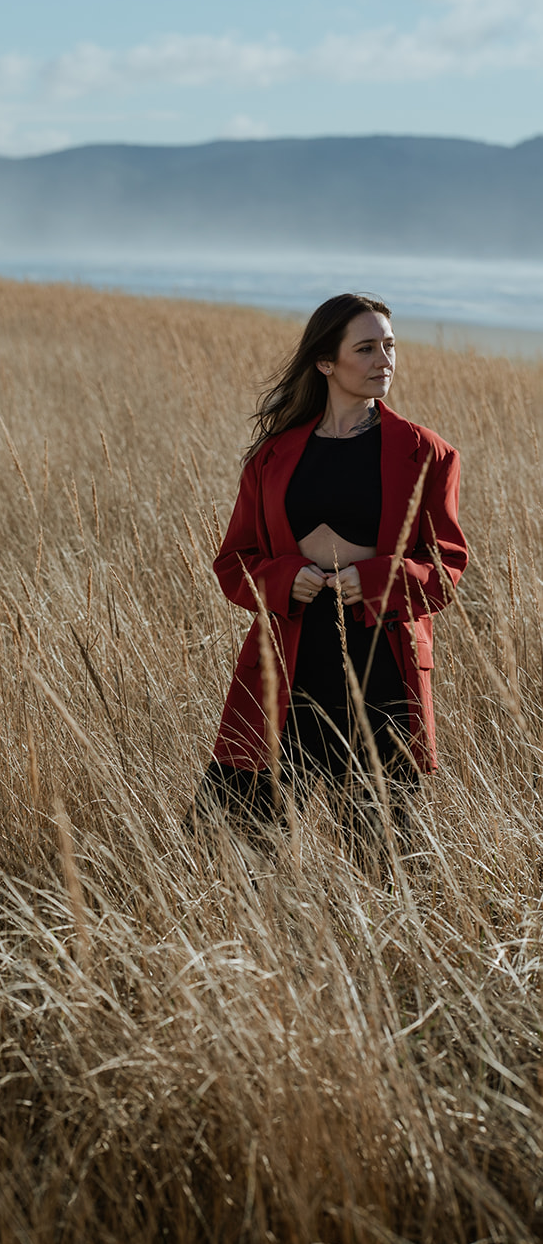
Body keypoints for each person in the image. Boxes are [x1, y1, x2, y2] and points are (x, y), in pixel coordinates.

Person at [199, 293, 467, 863]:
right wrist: (283, 577)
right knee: (235, 844)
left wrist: (376, 581)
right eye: (366, 348)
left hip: (381, 664)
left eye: (390, 346)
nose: (384, 360)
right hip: (287, 662)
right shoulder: (271, 457)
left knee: (382, 855)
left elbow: (447, 568)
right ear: (325, 362)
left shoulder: (428, 454)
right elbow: (233, 562)